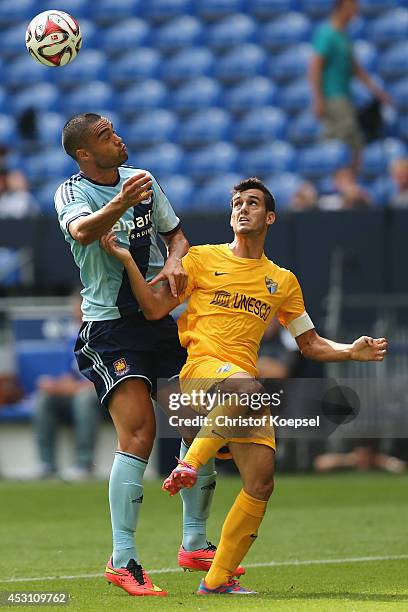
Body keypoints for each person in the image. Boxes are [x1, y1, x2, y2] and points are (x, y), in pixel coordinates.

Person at [101, 176, 388, 595]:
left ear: (269, 217)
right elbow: (153, 307)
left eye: (252, 203)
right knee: (247, 387)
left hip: (240, 391)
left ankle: (216, 581)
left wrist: (350, 351)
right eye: (237, 202)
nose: (243, 208)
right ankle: (190, 463)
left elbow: (310, 343)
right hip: (199, 375)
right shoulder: (199, 260)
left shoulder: (282, 281)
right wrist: (128, 260)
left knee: (261, 481)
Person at [55, 113, 224, 597]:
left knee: (197, 424)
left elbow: (177, 235)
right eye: (106, 137)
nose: (118, 138)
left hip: (157, 322)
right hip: (109, 327)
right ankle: (123, 558)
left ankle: (194, 542)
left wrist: (174, 261)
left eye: (114, 130)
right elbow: (84, 232)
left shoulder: (142, 181)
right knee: (141, 433)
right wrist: (120, 205)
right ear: (86, 154)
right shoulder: (71, 192)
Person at [309, 0, 390, 171]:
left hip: (344, 96)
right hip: (333, 97)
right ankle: (344, 181)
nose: (355, 14)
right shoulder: (327, 34)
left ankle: (343, 180)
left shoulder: (343, 36)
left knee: (347, 141)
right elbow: (315, 67)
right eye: (352, 9)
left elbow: (356, 69)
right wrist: (318, 99)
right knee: (349, 141)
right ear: (341, 9)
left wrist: (377, 91)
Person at [33, 293, 100, 480]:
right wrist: (54, 385)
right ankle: (47, 465)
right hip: (76, 391)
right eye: (74, 308)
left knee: (84, 399)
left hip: (101, 394)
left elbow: (104, 376)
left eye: (79, 307)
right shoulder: (72, 337)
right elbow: (69, 374)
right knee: (45, 398)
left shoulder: (102, 333)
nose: (75, 312)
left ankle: (84, 464)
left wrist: (77, 387)